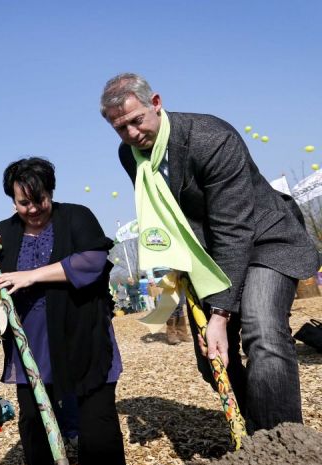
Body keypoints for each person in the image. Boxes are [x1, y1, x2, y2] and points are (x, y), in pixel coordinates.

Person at [101, 72, 320, 431]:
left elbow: (233, 228)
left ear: (155, 103)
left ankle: (282, 446)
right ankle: (256, 428)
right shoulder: (130, 154)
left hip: (263, 239)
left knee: (262, 330)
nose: (133, 134)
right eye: (121, 128)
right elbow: (165, 211)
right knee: (213, 359)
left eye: (137, 120)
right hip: (206, 255)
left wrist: (220, 313)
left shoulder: (210, 137)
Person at [0, 157, 128, 465]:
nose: (33, 209)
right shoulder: (6, 229)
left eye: (41, 199)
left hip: (81, 333)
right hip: (31, 342)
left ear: (51, 192)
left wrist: (30, 275)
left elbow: (91, 262)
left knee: (96, 415)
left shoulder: (76, 217)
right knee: (33, 416)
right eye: (24, 202)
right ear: (13, 200)